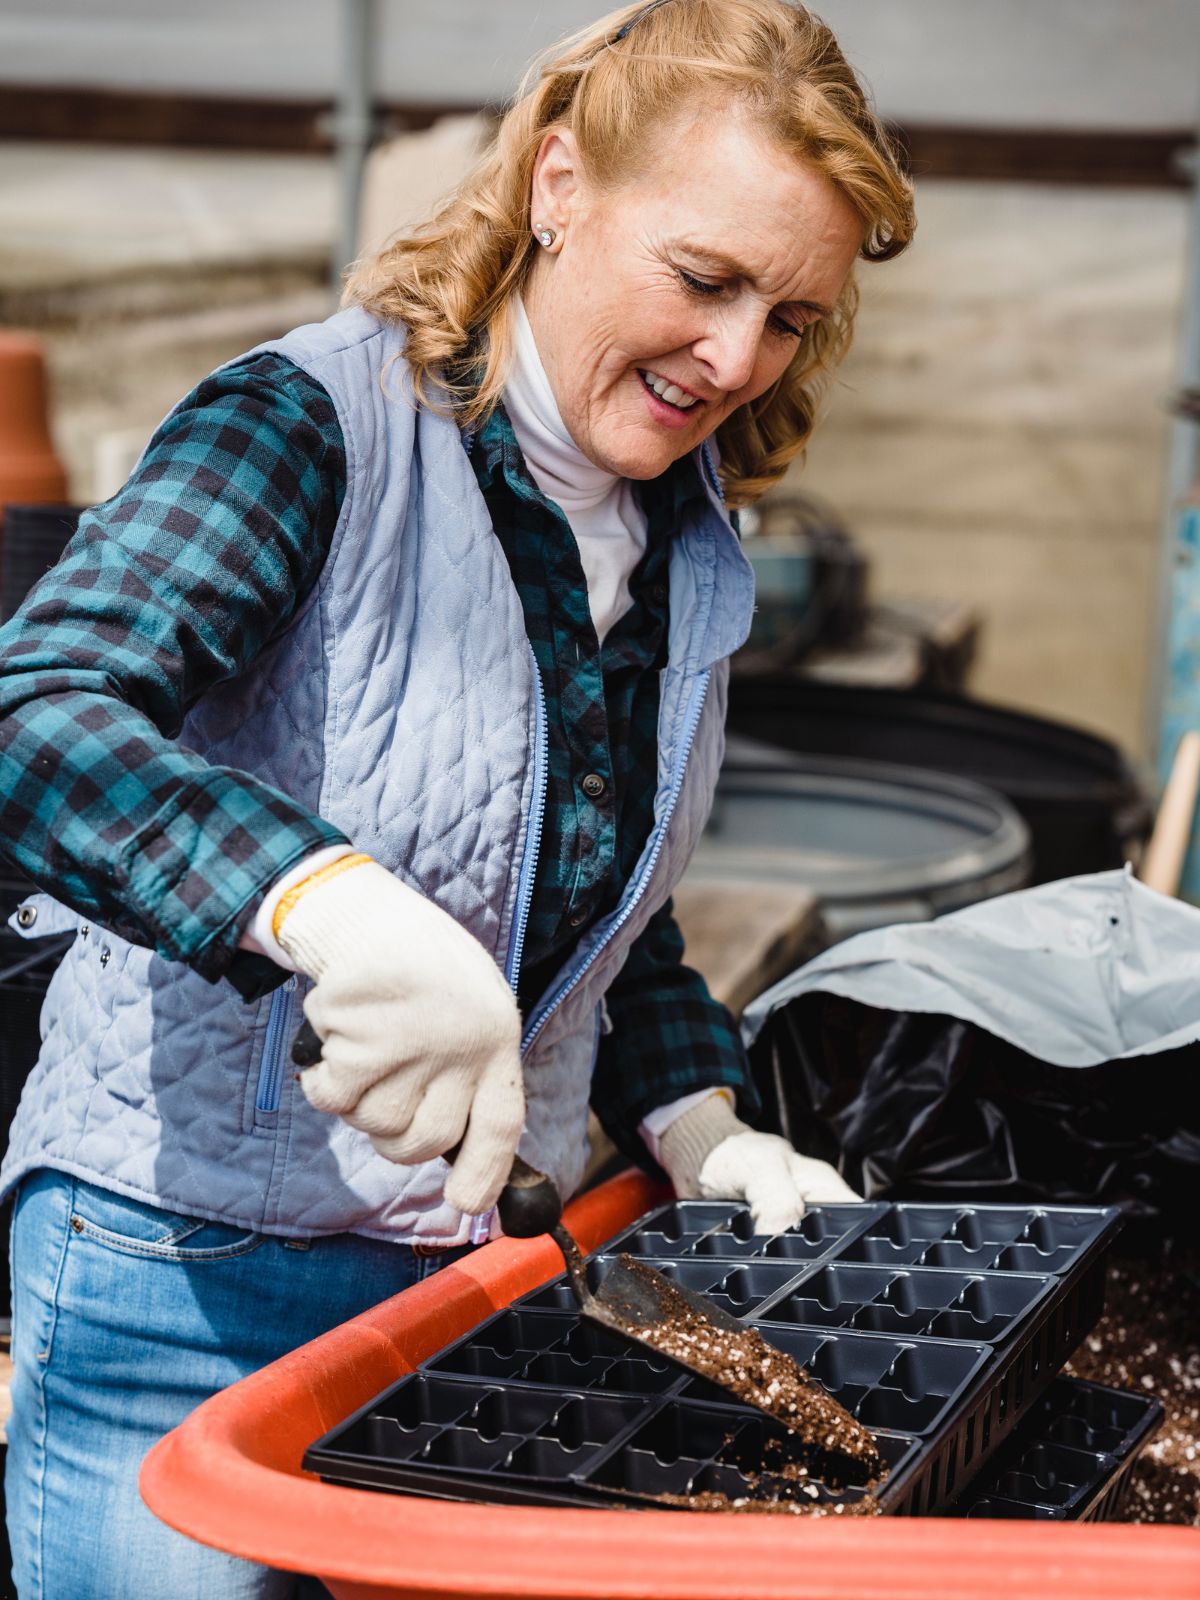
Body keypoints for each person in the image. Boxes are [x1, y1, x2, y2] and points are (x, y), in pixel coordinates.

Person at [0, 1, 914, 1593]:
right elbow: (37, 715)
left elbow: (595, 892)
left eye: (788, 315)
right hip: (187, 1279)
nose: (735, 357)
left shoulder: (679, 533)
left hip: (464, 1286)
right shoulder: (313, 428)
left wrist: (700, 1122)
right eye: (704, 281)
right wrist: (322, 901)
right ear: (558, 184)